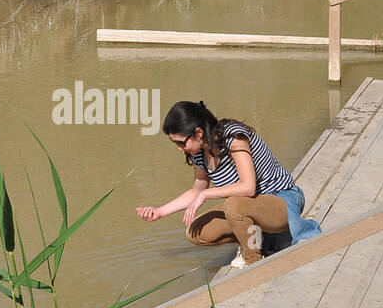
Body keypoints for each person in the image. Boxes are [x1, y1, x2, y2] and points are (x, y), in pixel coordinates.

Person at [135, 100, 322, 267]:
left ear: (198, 132)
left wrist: (207, 194)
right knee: (196, 232)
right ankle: (257, 239)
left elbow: (247, 187)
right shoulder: (198, 153)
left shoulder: (234, 137)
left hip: (283, 199)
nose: (179, 149)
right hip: (248, 207)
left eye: (181, 143)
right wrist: (159, 212)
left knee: (233, 204)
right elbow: (195, 192)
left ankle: (254, 263)